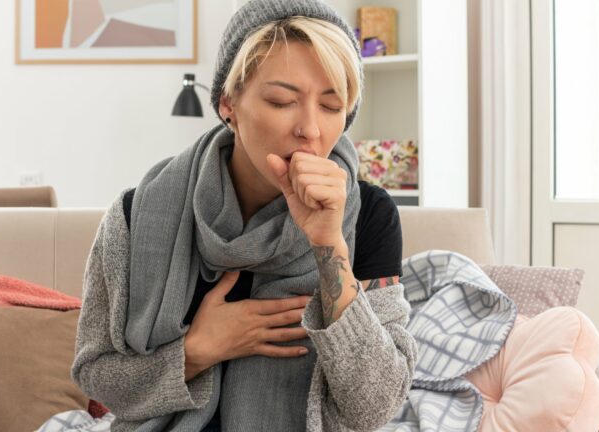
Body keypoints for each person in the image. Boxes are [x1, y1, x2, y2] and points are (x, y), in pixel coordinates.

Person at [70, 1, 417, 431]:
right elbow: (97, 377)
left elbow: (375, 406)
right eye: (282, 100)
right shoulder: (134, 214)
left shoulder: (369, 215)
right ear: (227, 105)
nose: (310, 129)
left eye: (331, 107)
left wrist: (330, 248)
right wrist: (197, 350)